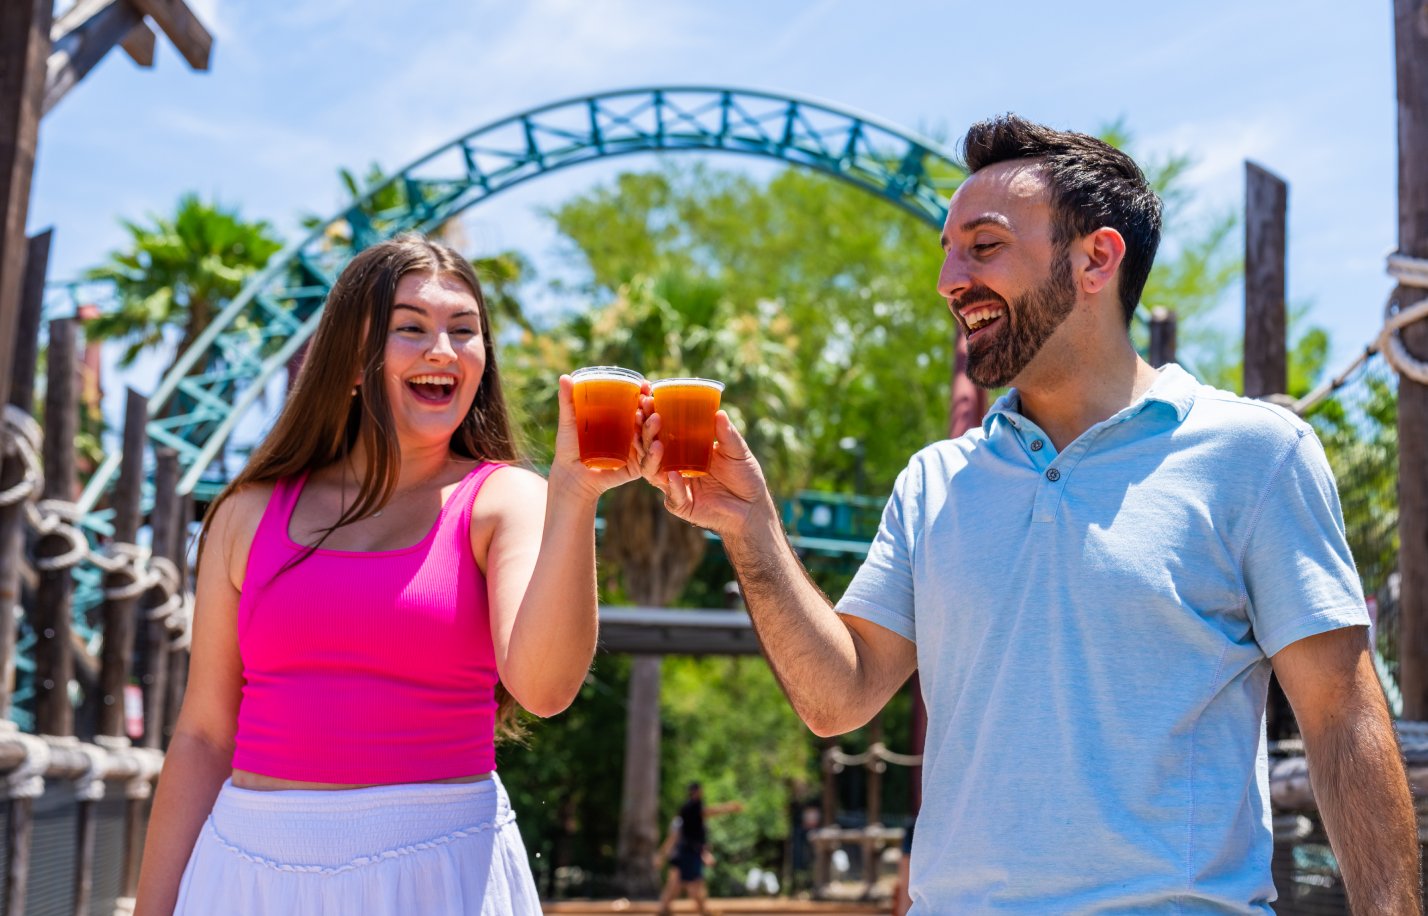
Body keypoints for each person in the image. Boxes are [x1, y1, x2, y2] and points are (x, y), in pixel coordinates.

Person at [638, 115, 1420, 913]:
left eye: (983, 246)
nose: (948, 278)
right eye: (946, 251)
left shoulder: (1255, 454)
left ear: (1095, 259)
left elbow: (1340, 719)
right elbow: (837, 698)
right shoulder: (933, 481)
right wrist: (752, 528)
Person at [134, 234, 649, 915]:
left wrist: (576, 495)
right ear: (350, 361)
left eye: (464, 331)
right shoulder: (245, 514)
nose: (443, 348)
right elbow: (203, 736)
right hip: (244, 875)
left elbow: (546, 689)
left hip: (438, 875)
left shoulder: (506, 501)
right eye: (412, 328)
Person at [655, 782, 743, 915]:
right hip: (686, 853)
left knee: (683, 884)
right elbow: (674, 838)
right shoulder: (691, 809)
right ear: (696, 792)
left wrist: (705, 853)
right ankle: (698, 911)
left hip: (688, 853)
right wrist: (729, 807)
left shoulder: (691, 815)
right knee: (689, 884)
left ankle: (670, 909)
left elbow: (694, 838)